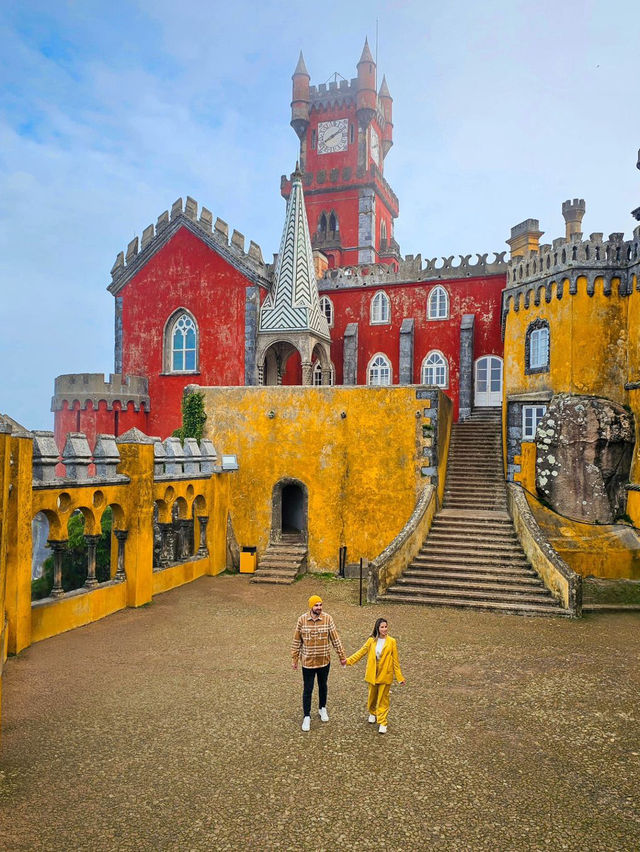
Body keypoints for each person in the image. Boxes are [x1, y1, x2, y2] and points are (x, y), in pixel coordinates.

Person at [291, 595, 346, 732]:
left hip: (324, 660)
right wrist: (294, 659)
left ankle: (322, 708)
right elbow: (297, 641)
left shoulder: (328, 619)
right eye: (316, 605)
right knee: (308, 689)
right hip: (308, 662)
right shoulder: (302, 620)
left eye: (320, 605)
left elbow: (335, 639)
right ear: (311, 606)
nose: (319, 608)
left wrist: (342, 656)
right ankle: (307, 716)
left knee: (323, 686)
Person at [346, 617, 405, 734]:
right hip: (373, 673)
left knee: (383, 698)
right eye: (382, 627)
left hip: (385, 674)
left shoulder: (392, 641)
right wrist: (348, 661)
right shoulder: (371, 641)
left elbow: (395, 661)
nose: (384, 629)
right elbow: (361, 652)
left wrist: (399, 677)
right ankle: (372, 712)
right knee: (372, 696)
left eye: (386, 627)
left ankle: (383, 722)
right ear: (377, 628)